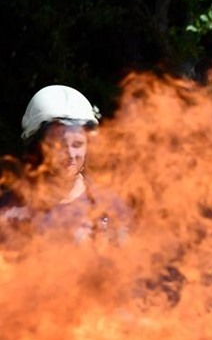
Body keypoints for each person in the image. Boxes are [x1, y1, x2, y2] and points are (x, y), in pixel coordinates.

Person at [0, 84, 130, 244]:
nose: (70, 155)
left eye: (78, 144)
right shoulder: (9, 209)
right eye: (59, 145)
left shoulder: (109, 208)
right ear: (37, 148)